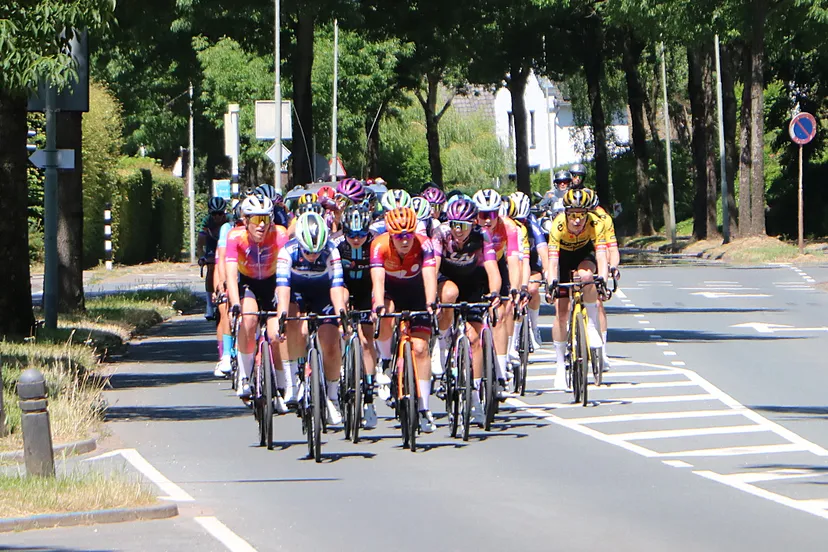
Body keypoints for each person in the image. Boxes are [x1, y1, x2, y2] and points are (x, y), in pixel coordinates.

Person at [432, 199, 501, 425]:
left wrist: (495, 294)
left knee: (474, 338)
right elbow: (433, 267)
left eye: (463, 225)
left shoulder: (483, 236)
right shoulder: (441, 234)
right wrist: (432, 297)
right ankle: (442, 344)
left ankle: (475, 393)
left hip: (473, 283)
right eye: (454, 224)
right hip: (447, 279)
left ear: (473, 223)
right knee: (449, 294)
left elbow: (492, 268)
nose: (458, 231)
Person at [276, 212, 349, 424]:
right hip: (296, 292)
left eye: (316, 252)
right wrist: (281, 319)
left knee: (330, 342)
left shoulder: (331, 251)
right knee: (290, 317)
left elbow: (336, 288)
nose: (312, 256)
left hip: (323, 293)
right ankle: (291, 384)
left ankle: (332, 396)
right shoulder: (287, 252)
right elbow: (283, 288)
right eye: (307, 252)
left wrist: (341, 318)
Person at [370, 207, 439, 433]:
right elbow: (378, 282)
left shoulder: (424, 244)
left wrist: (431, 302)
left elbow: (430, 276)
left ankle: (424, 408)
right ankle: (387, 361)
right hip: (390, 292)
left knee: (420, 348)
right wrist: (378, 306)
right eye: (399, 236)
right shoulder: (379, 246)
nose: (405, 240)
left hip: (416, 291)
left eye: (409, 234)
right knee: (386, 315)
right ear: (390, 235)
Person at [224, 194, 289, 403]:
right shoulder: (235, 237)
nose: (261, 225)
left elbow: (285, 272)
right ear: (245, 221)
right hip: (248, 283)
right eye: (255, 220)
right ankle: (244, 375)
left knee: (276, 332)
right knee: (249, 319)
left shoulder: (280, 234)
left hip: (272, 282)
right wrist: (235, 303)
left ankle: (281, 383)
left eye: (266, 219)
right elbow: (231, 276)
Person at [545, 188, 608, 391]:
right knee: (561, 314)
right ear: (566, 214)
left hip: (584, 254)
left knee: (588, 276)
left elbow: (601, 257)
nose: (577, 220)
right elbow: (552, 262)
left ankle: (590, 325)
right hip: (562, 258)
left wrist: (604, 280)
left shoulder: (595, 223)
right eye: (573, 215)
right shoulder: (558, 225)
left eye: (581, 214)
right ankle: (560, 367)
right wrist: (551, 283)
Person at [335, 205, 388, 429]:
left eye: (361, 234)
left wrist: (377, 305)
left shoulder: (375, 242)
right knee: (342, 303)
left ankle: (368, 396)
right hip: (345, 286)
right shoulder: (336, 244)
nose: (356, 239)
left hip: (368, 289)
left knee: (367, 340)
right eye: (351, 234)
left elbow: (380, 279)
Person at [471, 189, 524, 399]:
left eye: (491, 215)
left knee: (500, 314)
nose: (486, 220)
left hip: (498, 266)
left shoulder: (509, 228)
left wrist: (515, 289)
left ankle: (501, 372)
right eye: (482, 215)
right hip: (474, 268)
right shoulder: (471, 228)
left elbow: (514, 262)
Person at [212, 198, 243, 378]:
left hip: (246, 273)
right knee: (224, 308)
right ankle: (225, 354)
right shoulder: (227, 230)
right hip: (228, 269)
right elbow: (221, 260)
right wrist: (221, 284)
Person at [197, 196, 228, 320]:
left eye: (220, 214)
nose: (217, 217)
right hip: (212, 247)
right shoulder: (206, 221)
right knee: (211, 270)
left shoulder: (229, 220)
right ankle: (209, 306)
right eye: (214, 214)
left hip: (225, 246)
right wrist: (201, 257)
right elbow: (200, 243)